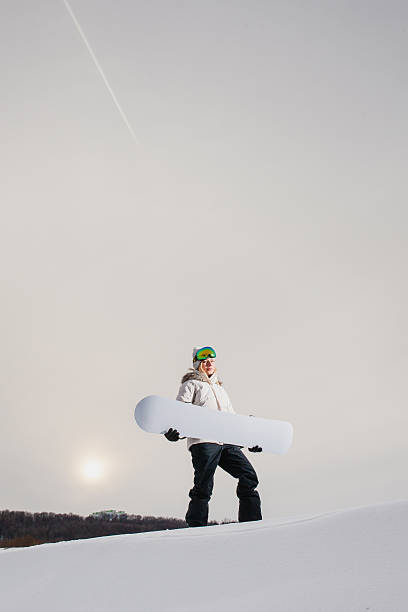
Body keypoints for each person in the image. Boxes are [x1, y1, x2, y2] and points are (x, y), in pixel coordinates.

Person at [164, 346, 262, 527]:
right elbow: (179, 412)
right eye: (204, 361)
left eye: (212, 360)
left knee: (249, 476)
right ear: (197, 364)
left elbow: (232, 420)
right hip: (204, 442)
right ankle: (196, 527)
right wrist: (173, 433)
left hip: (226, 441)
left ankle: (251, 524)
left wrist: (249, 440)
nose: (209, 363)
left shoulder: (220, 389)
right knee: (204, 485)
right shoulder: (190, 385)